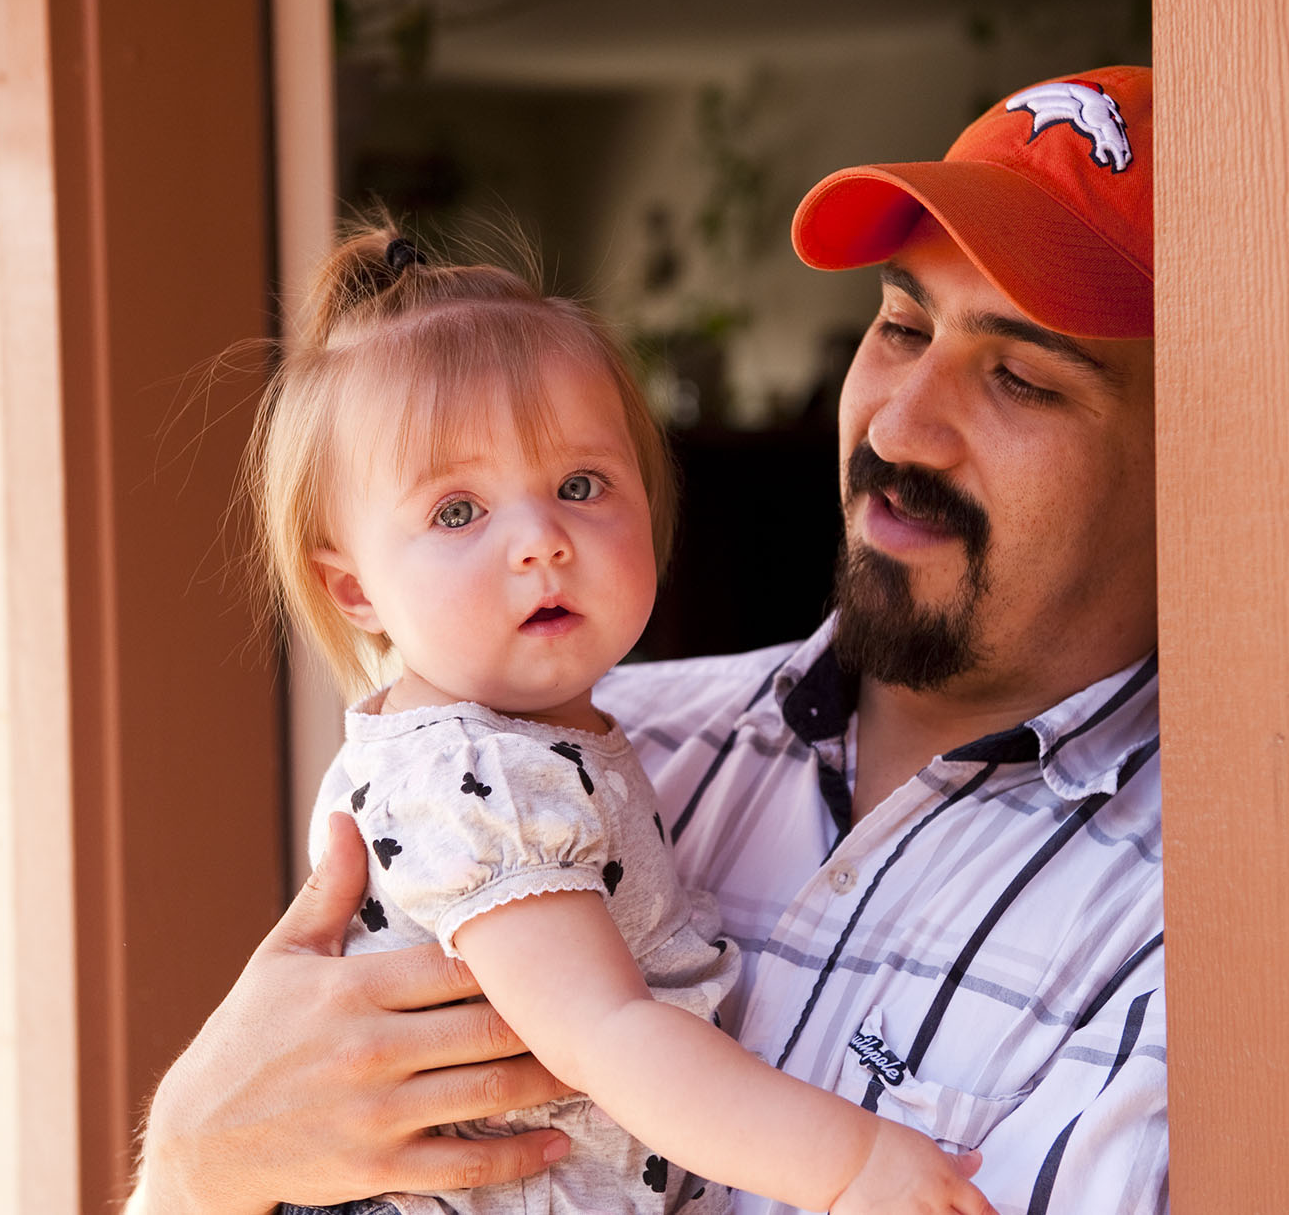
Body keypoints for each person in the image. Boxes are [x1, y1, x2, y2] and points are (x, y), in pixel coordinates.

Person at [133, 64, 1165, 1215]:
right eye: (899, 324)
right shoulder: (536, 767)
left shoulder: (1188, 923)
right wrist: (191, 1167)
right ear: (354, 584)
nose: (899, 422)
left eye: (1018, 376)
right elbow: (597, 1033)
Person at [170, 227, 997, 1215]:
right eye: (456, 511)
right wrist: (851, 1163)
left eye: (577, 485)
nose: (540, 542)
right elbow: (605, 1031)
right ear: (354, 590)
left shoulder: (549, 738)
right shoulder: (476, 778)